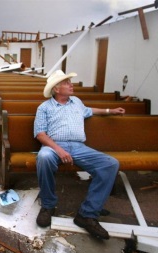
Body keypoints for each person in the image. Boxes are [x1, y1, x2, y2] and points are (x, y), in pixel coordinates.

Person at [33, 70, 125, 240]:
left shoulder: (76, 102)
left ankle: (87, 214)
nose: (71, 85)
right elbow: (40, 134)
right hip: (53, 146)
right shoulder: (44, 107)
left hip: (78, 147)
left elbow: (89, 110)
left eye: (70, 82)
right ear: (56, 89)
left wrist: (110, 110)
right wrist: (58, 150)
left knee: (111, 164)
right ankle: (48, 205)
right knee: (44, 158)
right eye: (66, 83)